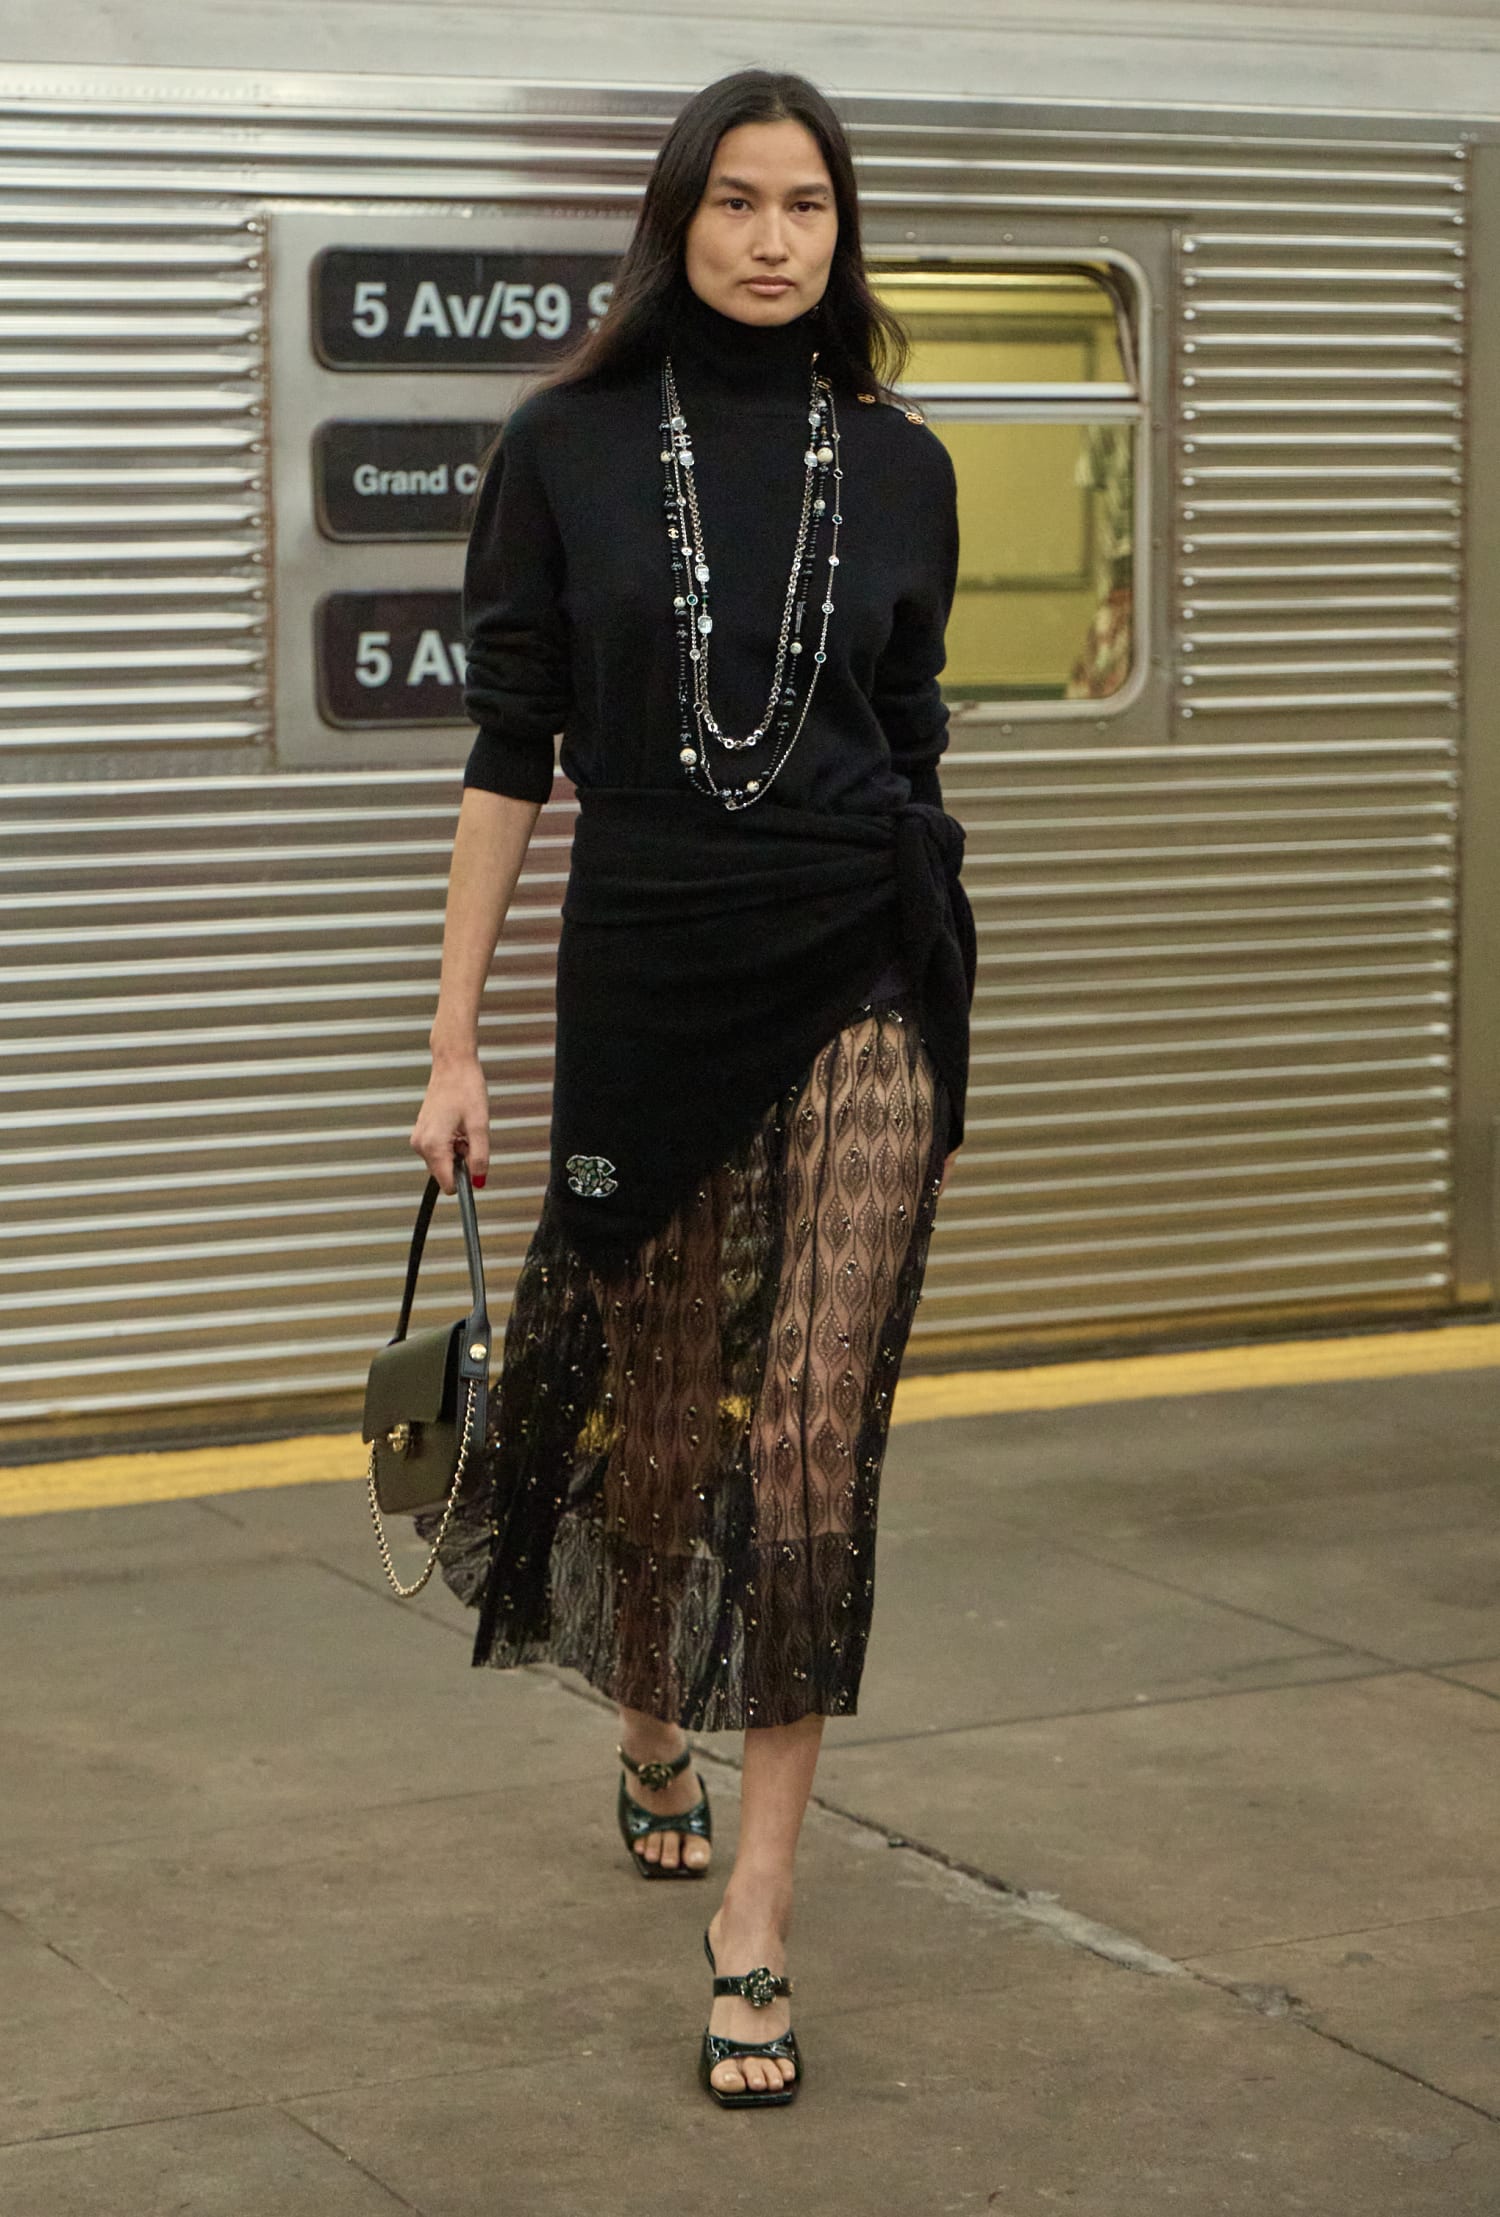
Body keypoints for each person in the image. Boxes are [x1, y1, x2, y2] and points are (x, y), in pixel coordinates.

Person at [409, 66, 976, 2109]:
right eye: (735, 199)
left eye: (805, 204)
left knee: (811, 1423)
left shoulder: (900, 461)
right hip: (650, 957)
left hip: (862, 956)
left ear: (842, 231)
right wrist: (455, 1039)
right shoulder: (562, 446)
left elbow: (911, 729)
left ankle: (759, 1912)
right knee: (659, 1430)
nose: (770, 237)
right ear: (678, 221)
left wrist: (920, 919)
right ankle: (651, 1719)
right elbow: (510, 750)